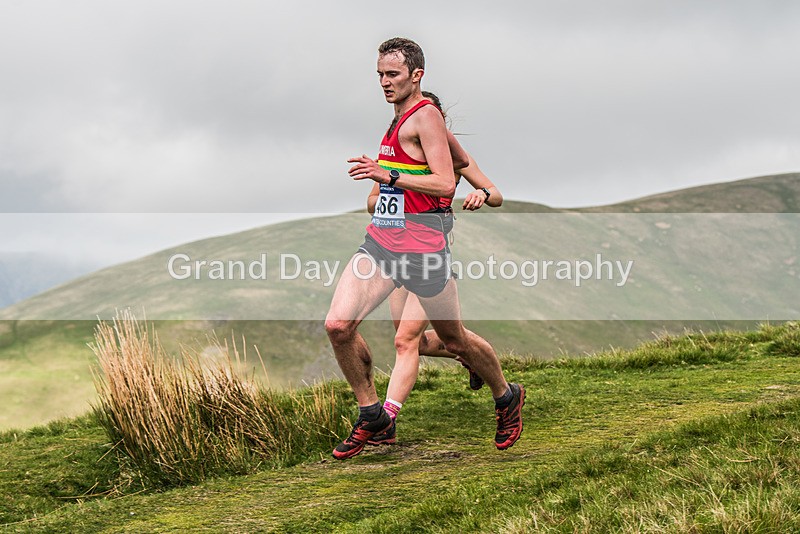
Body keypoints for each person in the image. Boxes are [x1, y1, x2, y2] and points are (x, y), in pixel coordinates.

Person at [325, 37, 524, 460]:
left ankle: (507, 397)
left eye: (392, 75)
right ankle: (373, 414)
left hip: (424, 252)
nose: (383, 82)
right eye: (379, 74)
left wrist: (391, 176)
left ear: (416, 76)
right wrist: (380, 183)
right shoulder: (396, 120)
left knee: (454, 341)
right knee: (338, 326)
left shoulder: (426, 116)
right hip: (381, 244)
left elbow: (445, 183)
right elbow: (407, 180)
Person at [364, 91, 505, 445]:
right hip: (396, 251)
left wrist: (481, 195)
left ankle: (387, 421)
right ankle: (470, 357)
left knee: (404, 340)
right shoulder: (400, 158)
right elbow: (370, 202)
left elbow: (495, 192)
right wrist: (390, 193)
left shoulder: (453, 158)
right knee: (421, 342)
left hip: (431, 254)